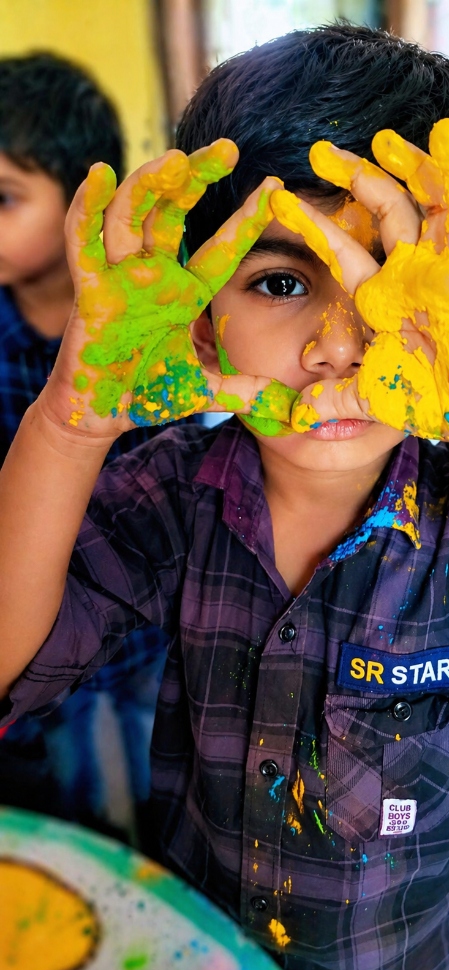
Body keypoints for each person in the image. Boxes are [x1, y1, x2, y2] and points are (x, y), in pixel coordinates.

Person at [1, 24, 449, 970]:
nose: (337, 346)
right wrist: (70, 420)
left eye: (387, 287)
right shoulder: (171, 493)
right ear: (201, 315)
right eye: (279, 283)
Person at [0, 52, 172, 847]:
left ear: (80, 202)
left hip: (136, 638)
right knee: (62, 820)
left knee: (144, 798)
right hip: (23, 631)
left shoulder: (147, 326)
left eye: (4, 199)